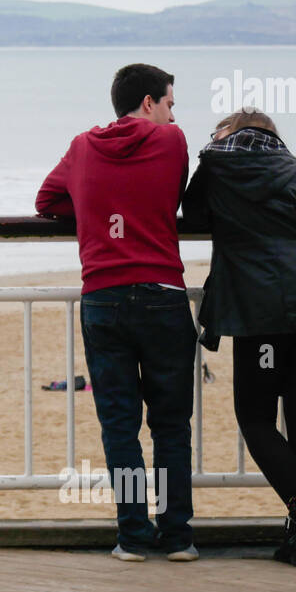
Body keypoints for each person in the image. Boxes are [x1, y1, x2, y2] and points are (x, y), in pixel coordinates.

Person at [37, 63, 197, 562]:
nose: (174, 114)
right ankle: (177, 537)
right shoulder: (172, 143)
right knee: (170, 424)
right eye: (170, 103)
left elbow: (46, 200)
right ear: (148, 103)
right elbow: (173, 197)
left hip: (104, 297)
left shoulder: (83, 146)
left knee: (119, 425)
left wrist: (90, 209)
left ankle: (132, 536)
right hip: (162, 292)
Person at [183, 109, 296, 566]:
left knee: (255, 417)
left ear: (230, 133)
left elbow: (194, 216)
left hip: (260, 314)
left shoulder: (214, 165)